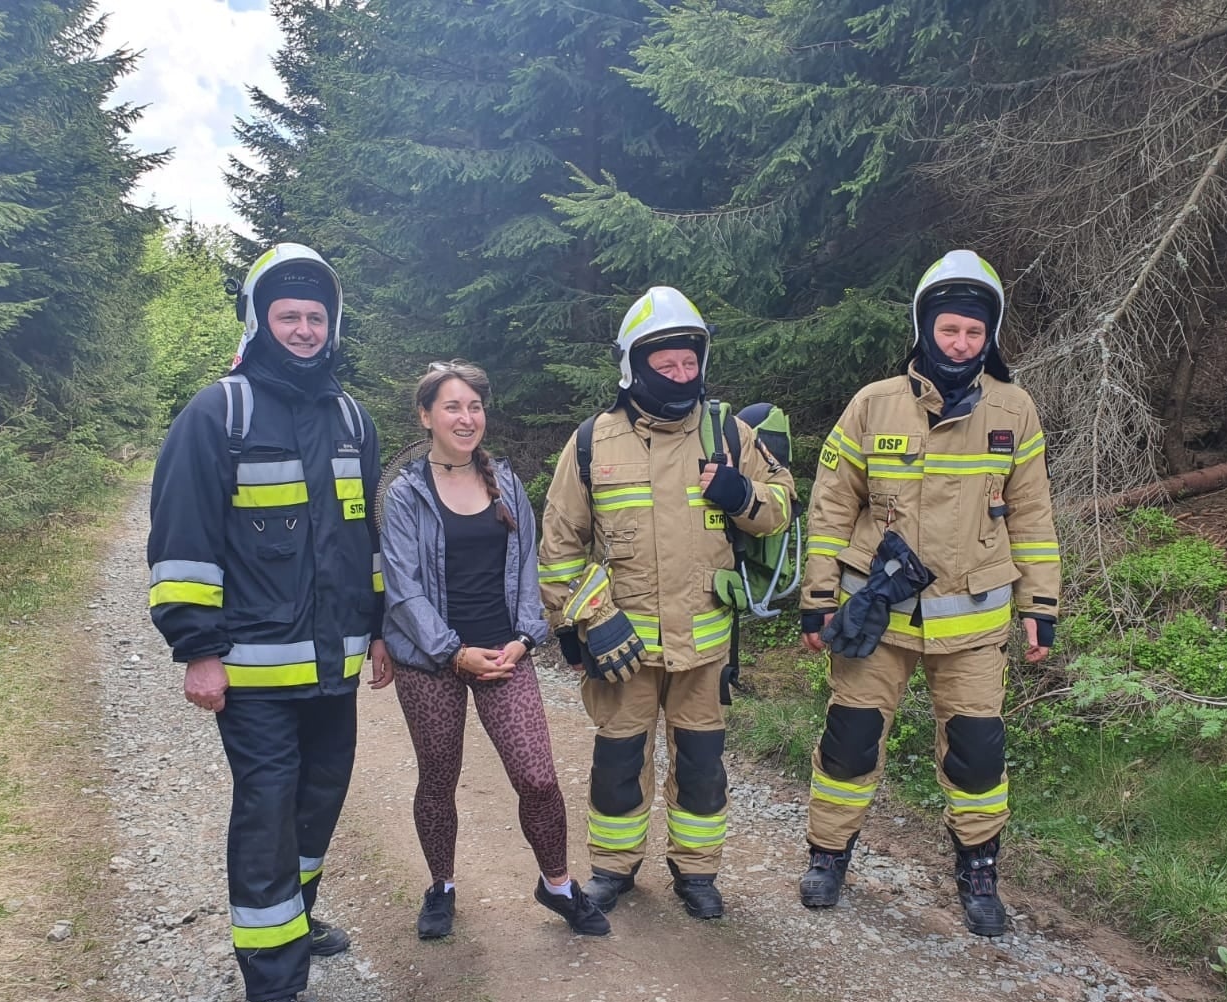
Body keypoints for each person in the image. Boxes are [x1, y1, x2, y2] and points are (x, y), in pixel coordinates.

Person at [147, 243, 392, 1002]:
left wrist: (383, 630)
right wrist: (197, 650)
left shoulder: (352, 418)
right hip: (251, 676)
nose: (302, 328)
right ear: (259, 322)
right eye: (287, 315)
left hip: (335, 669)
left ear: (333, 327)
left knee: (320, 802)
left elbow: (367, 543)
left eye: (315, 317)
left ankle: (295, 909)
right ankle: (275, 988)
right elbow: (182, 543)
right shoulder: (218, 414)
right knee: (267, 812)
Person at [796, 249, 1061, 938]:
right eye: (950, 329)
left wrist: (1041, 607)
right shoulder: (872, 405)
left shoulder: (1014, 411)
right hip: (875, 618)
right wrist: (818, 595)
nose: (961, 343)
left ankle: (978, 872)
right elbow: (828, 508)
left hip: (973, 619)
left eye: (974, 333)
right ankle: (828, 856)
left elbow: (1032, 518)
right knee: (849, 742)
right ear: (923, 327)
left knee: (977, 753)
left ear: (991, 337)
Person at [538, 287, 796, 919]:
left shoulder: (729, 436)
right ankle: (613, 869)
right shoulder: (592, 443)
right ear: (635, 367)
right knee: (619, 760)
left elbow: (784, 507)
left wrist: (743, 495)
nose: (681, 375)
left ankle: (697, 872)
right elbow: (559, 548)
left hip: (703, 649)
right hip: (620, 647)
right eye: (666, 365)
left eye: (689, 363)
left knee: (703, 766)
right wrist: (584, 625)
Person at [380, 361, 610, 941]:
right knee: (438, 777)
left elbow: (528, 569)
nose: (466, 417)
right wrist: (453, 652)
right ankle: (441, 886)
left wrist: (526, 636)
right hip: (429, 660)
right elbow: (403, 588)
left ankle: (557, 885)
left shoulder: (504, 483)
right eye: (453, 407)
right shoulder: (406, 493)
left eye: (475, 406)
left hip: (505, 654)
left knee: (537, 777)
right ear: (426, 416)